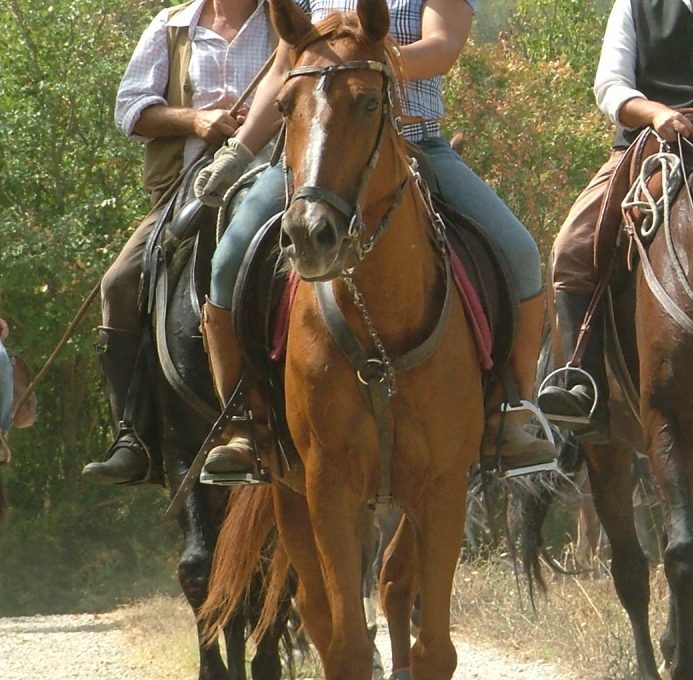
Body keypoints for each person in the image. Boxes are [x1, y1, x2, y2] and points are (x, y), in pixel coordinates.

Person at [191, 0, 557, 480]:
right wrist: (239, 154)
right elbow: (285, 68)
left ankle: (513, 408)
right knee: (226, 265)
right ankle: (243, 422)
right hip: (317, 157)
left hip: (415, 143)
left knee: (521, 256)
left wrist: (356, 65)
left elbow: (442, 47)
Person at [81, 0, 285, 484]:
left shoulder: (289, 18)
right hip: (186, 183)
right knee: (119, 284)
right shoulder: (172, 25)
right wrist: (195, 121)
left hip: (274, 180)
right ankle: (134, 436)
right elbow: (130, 109)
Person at [536, 0, 693, 431]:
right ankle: (582, 377)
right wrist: (655, 113)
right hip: (647, 144)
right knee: (571, 247)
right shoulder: (633, 4)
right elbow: (610, 84)